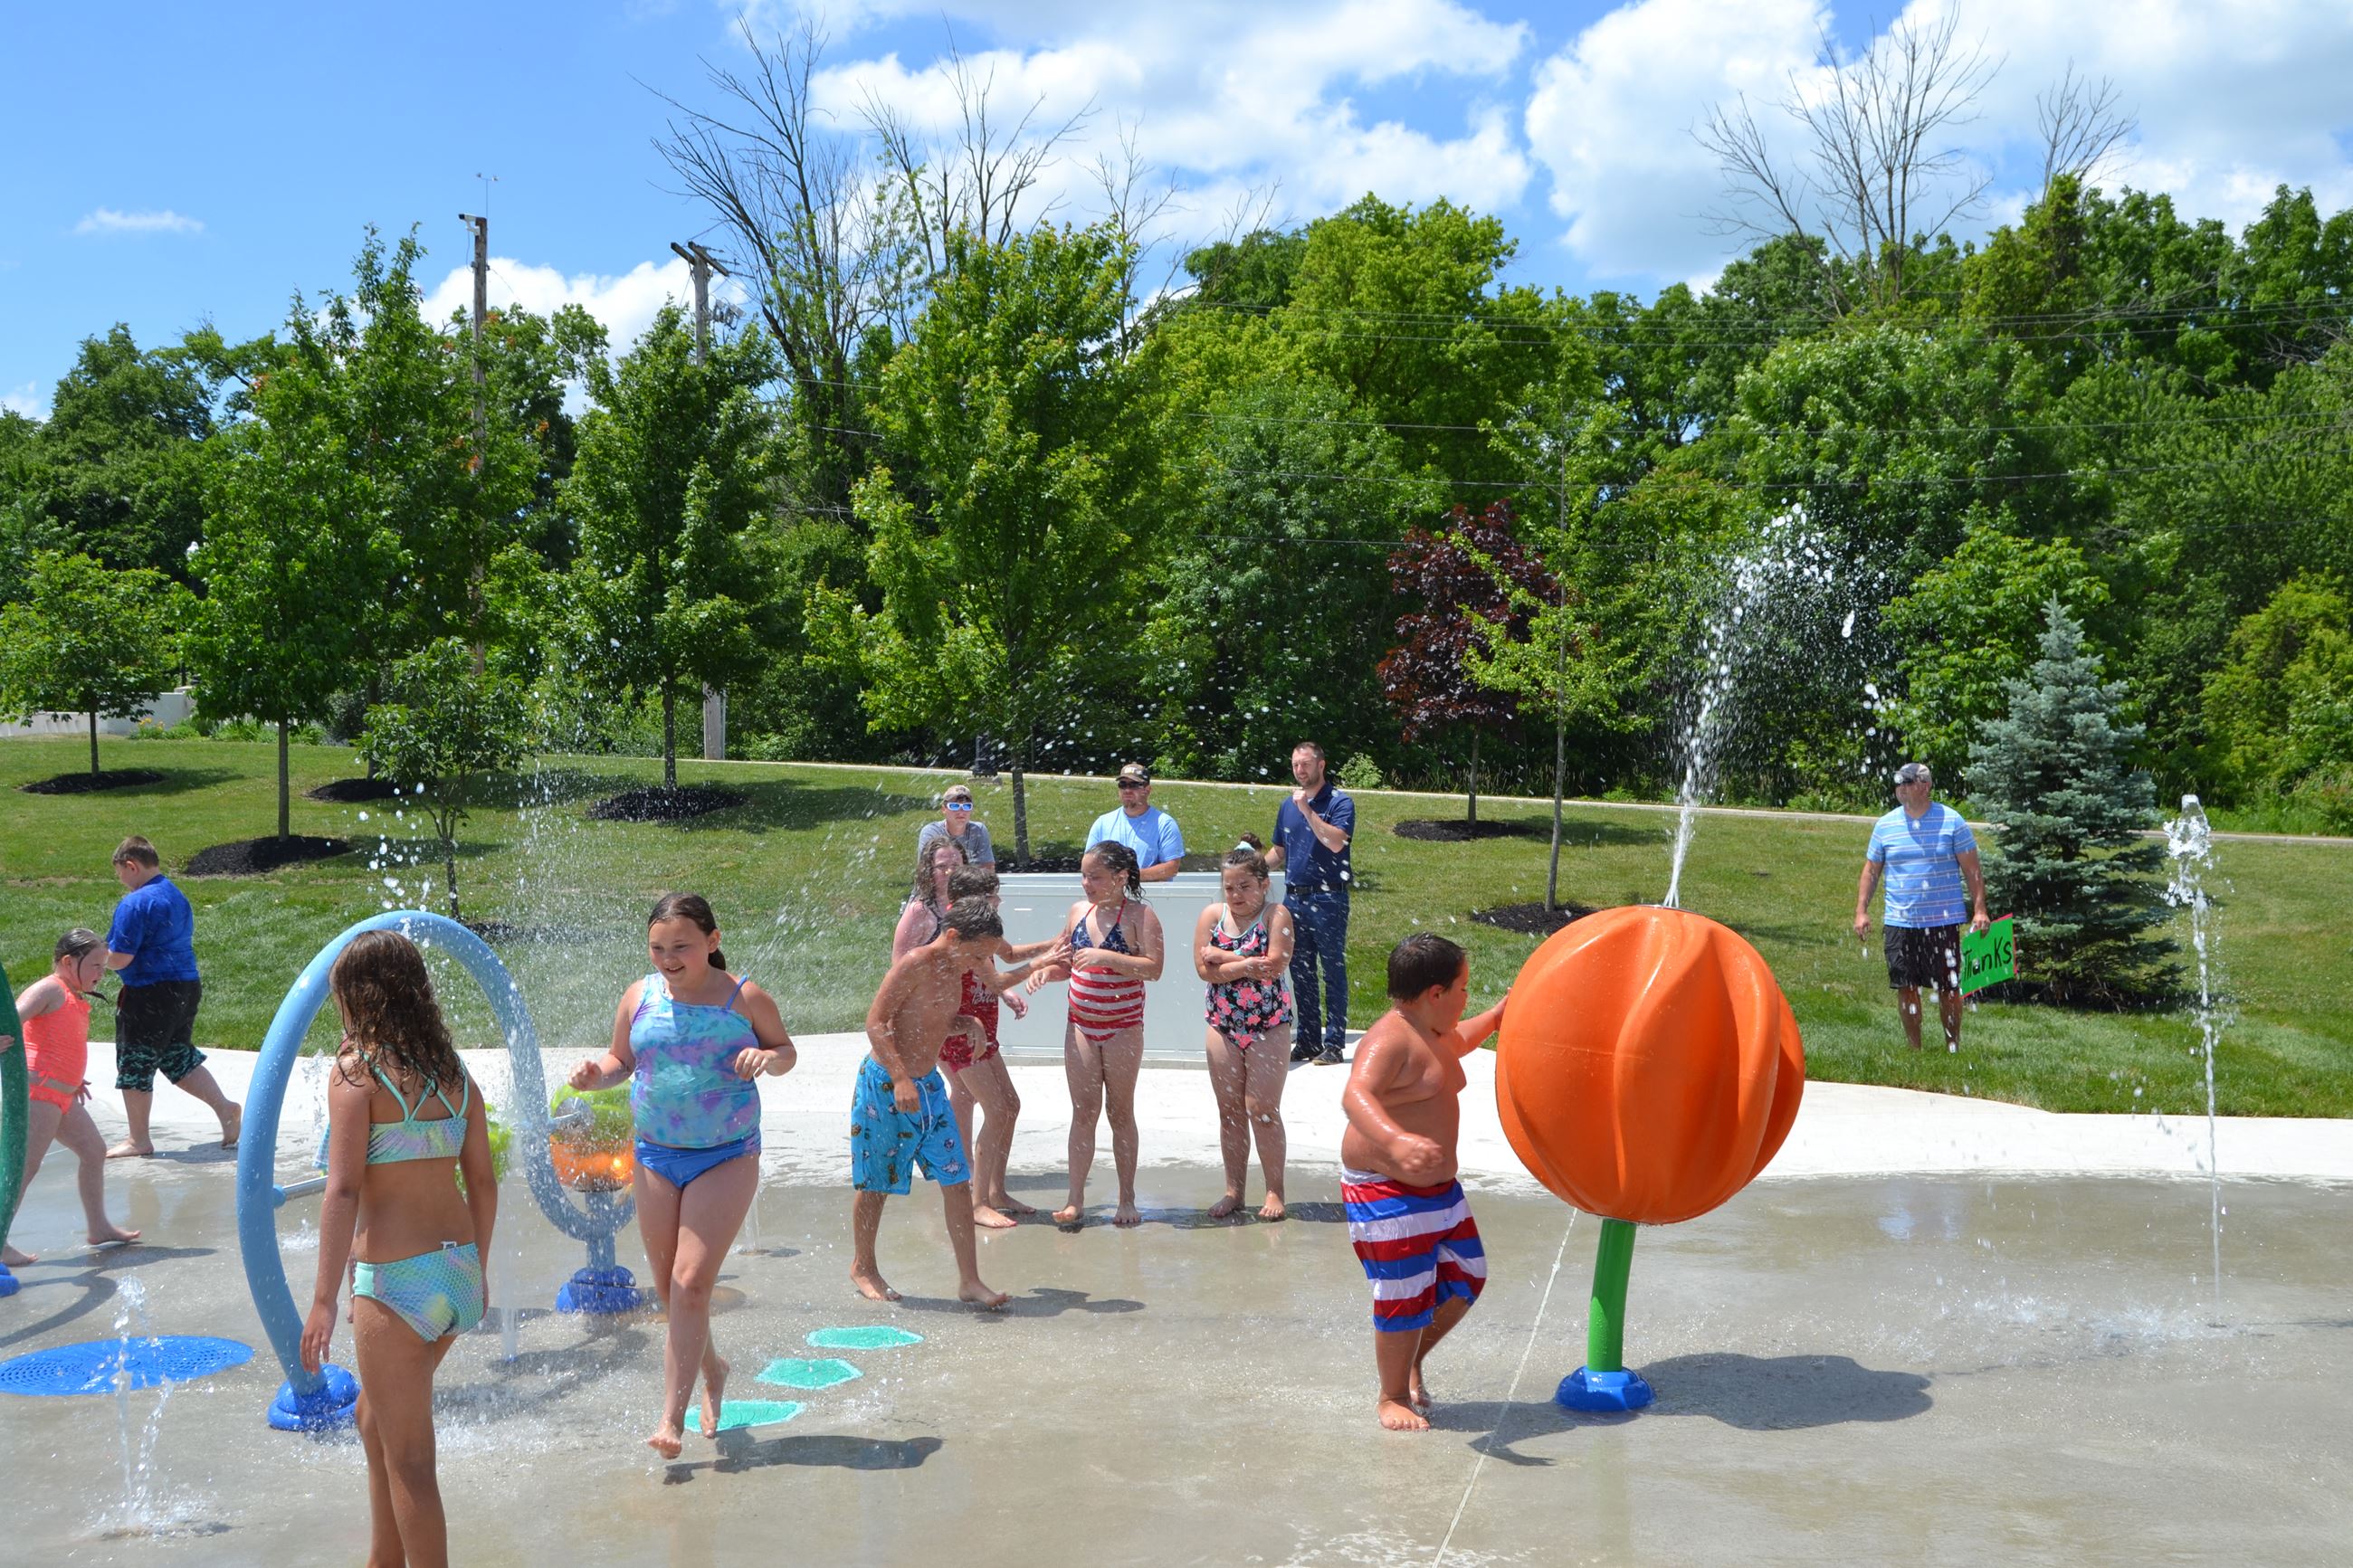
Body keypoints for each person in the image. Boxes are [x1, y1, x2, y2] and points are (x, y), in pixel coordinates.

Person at [567, 893, 797, 1459]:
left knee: (690, 1282)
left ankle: (671, 1417)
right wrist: (597, 1076)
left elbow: (786, 1049)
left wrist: (767, 1059)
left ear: (712, 943)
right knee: (674, 1289)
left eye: (681, 947)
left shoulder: (744, 999)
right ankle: (713, 1368)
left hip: (725, 1154)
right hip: (654, 1155)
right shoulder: (638, 998)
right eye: (657, 948)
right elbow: (624, 1061)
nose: (668, 958)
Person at [301, 930, 497, 1568]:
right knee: (372, 1418)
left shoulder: (356, 1076)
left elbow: (343, 1189)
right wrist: (478, 1270)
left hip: (396, 1281)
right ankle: (383, 1558)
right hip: (457, 1271)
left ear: (358, 998)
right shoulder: (453, 1073)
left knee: (413, 1461)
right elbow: (484, 1181)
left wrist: (323, 1298)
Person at [1340, 933, 1506, 1432]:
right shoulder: (1389, 1038)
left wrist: (1501, 1014)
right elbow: (1355, 1096)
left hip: (1437, 1189)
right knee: (1403, 1292)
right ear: (1435, 993)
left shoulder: (1434, 1029)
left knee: (1466, 1276)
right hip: (1385, 1188)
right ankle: (1391, 1395)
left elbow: (1465, 1040)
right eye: (1462, 988)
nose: (1466, 998)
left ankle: (1410, 1359)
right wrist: (1394, 1141)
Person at [854, 896, 1017, 1308]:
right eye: (978, 953)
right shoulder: (915, 964)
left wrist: (968, 1022)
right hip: (886, 1087)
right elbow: (876, 1023)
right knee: (877, 1183)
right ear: (952, 936)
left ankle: (970, 1280)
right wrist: (900, 1077)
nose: (981, 964)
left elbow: (930, 1021)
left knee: (956, 1181)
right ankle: (864, 1266)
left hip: (927, 1089)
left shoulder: (955, 968)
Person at [890, 841, 1059, 1229]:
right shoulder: (959, 934)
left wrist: (1054, 943)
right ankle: (977, 1201)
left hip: (984, 1030)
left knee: (1010, 1105)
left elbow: (1007, 957)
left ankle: (996, 1190)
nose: (998, 900)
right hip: (960, 1035)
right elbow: (997, 975)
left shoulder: (978, 928)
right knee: (996, 1108)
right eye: (992, 894)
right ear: (973, 900)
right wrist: (1043, 962)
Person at [1026, 841, 1165, 1226]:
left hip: (1122, 1028)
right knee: (1083, 1112)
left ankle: (1127, 1199)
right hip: (1081, 1026)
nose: (1086, 883)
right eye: (1084, 875)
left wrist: (1106, 956)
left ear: (1120, 878)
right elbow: (1067, 964)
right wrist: (1044, 973)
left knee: (1120, 1112)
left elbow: (1153, 968)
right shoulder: (1077, 912)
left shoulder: (1140, 916)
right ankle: (1074, 1199)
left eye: (1095, 876)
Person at [1, 930, 140, 1266]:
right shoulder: (50, 988)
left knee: (94, 1151)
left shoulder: (72, 994)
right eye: (94, 966)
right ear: (68, 962)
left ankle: (99, 1226)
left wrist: (72, 1079)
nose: (100, 974)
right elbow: (11, 1018)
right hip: (39, 1094)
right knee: (23, 1167)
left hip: (62, 1095)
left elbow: (59, 1042)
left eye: (103, 968)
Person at [101, 835, 240, 1157]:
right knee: (176, 1056)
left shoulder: (135, 903)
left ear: (131, 865)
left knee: (135, 1063)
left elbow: (121, 957)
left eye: (120, 872)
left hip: (149, 993)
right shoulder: (175, 895)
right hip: (185, 987)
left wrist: (96, 962)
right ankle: (225, 1108)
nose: (120, 880)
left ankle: (138, 1140)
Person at [1854, 762, 1990, 1051]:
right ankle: (1915, 1050)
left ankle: (1952, 1045)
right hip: (1900, 921)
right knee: (1906, 985)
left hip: (1942, 920)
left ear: (1925, 786)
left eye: (1907, 783)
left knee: (1949, 986)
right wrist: (1861, 911)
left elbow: (1973, 871)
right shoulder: (1886, 825)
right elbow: (1871, 871)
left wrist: (1979, 910)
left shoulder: (1952, 821)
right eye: (1898, 783)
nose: (1900, 788)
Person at [1193, 841, 1295, 1221]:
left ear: (1264, 885)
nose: (1236, 895)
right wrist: (1246, 962)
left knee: (1262, 1109)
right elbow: (1204, 970)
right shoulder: (1211, 916)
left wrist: (1226, 958)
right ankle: (1234, 1190)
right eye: (1230, 887)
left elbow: (1274, 967)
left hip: (1268, 1024)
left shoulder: (1276, 915)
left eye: (1245, 887)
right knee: (1230, 1112)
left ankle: (1274, 1190)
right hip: (1223, 1025)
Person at [1266, 741, 1356, 1065]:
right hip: (1295, 897)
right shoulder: (1286, 805)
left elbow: (1335, 842)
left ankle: (1333, 1043)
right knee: (1300, 970)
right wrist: (1253, 872)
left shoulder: (1339, 802)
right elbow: (1280, 850)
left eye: (1305, 764)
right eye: (1295, 765)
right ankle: (1307, 1039)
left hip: (1329, 896)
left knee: (1332, 969)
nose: (1299, 770)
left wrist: (1308, 810)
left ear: (1321, 765)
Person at [1084, 763, 1185, 883]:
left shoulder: (1165, 824)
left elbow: (1171, 868)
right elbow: (1089, 864)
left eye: (1134, 785)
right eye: (1123, 784)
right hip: (1109, 897)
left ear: (1147, 790)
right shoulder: (1102, 823)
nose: (1127, 790)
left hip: (1151, 898)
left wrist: (1130, 876)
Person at [916, 781, 996, 867]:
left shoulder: (978, 831)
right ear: (944, 809)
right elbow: (925, 869)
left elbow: (988, 867)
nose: (961, 812)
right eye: (954, 806)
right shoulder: (932, 832)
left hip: (971, 880)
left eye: (967, 806)